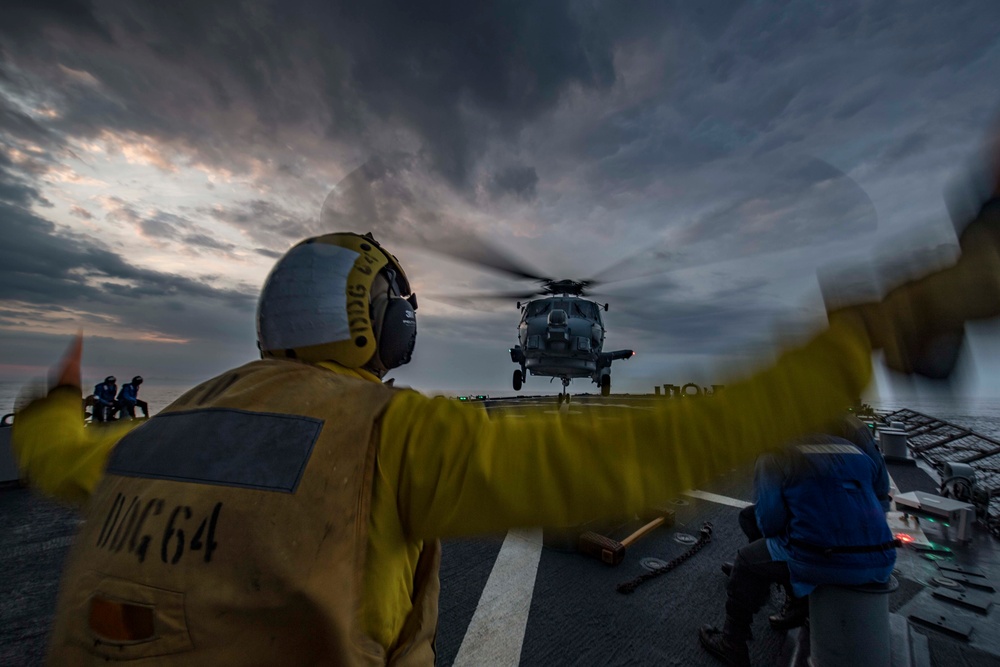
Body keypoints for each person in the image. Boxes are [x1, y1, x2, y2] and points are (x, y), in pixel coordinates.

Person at [11, 171, 1000, 665]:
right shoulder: (395, 436)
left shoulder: (165, 430)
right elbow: (651, 448)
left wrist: (51, 406)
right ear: (382, 323)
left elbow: (58, 461)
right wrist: (878, 325)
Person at [700, 420, 894, 667]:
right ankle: (797, 601)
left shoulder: (774, 453)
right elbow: (878, 491)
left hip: (824, 559)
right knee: (752, 522)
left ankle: (732, 643)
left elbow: (770, 523)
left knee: (747, 561)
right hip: (881, 558)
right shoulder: (854, 449)